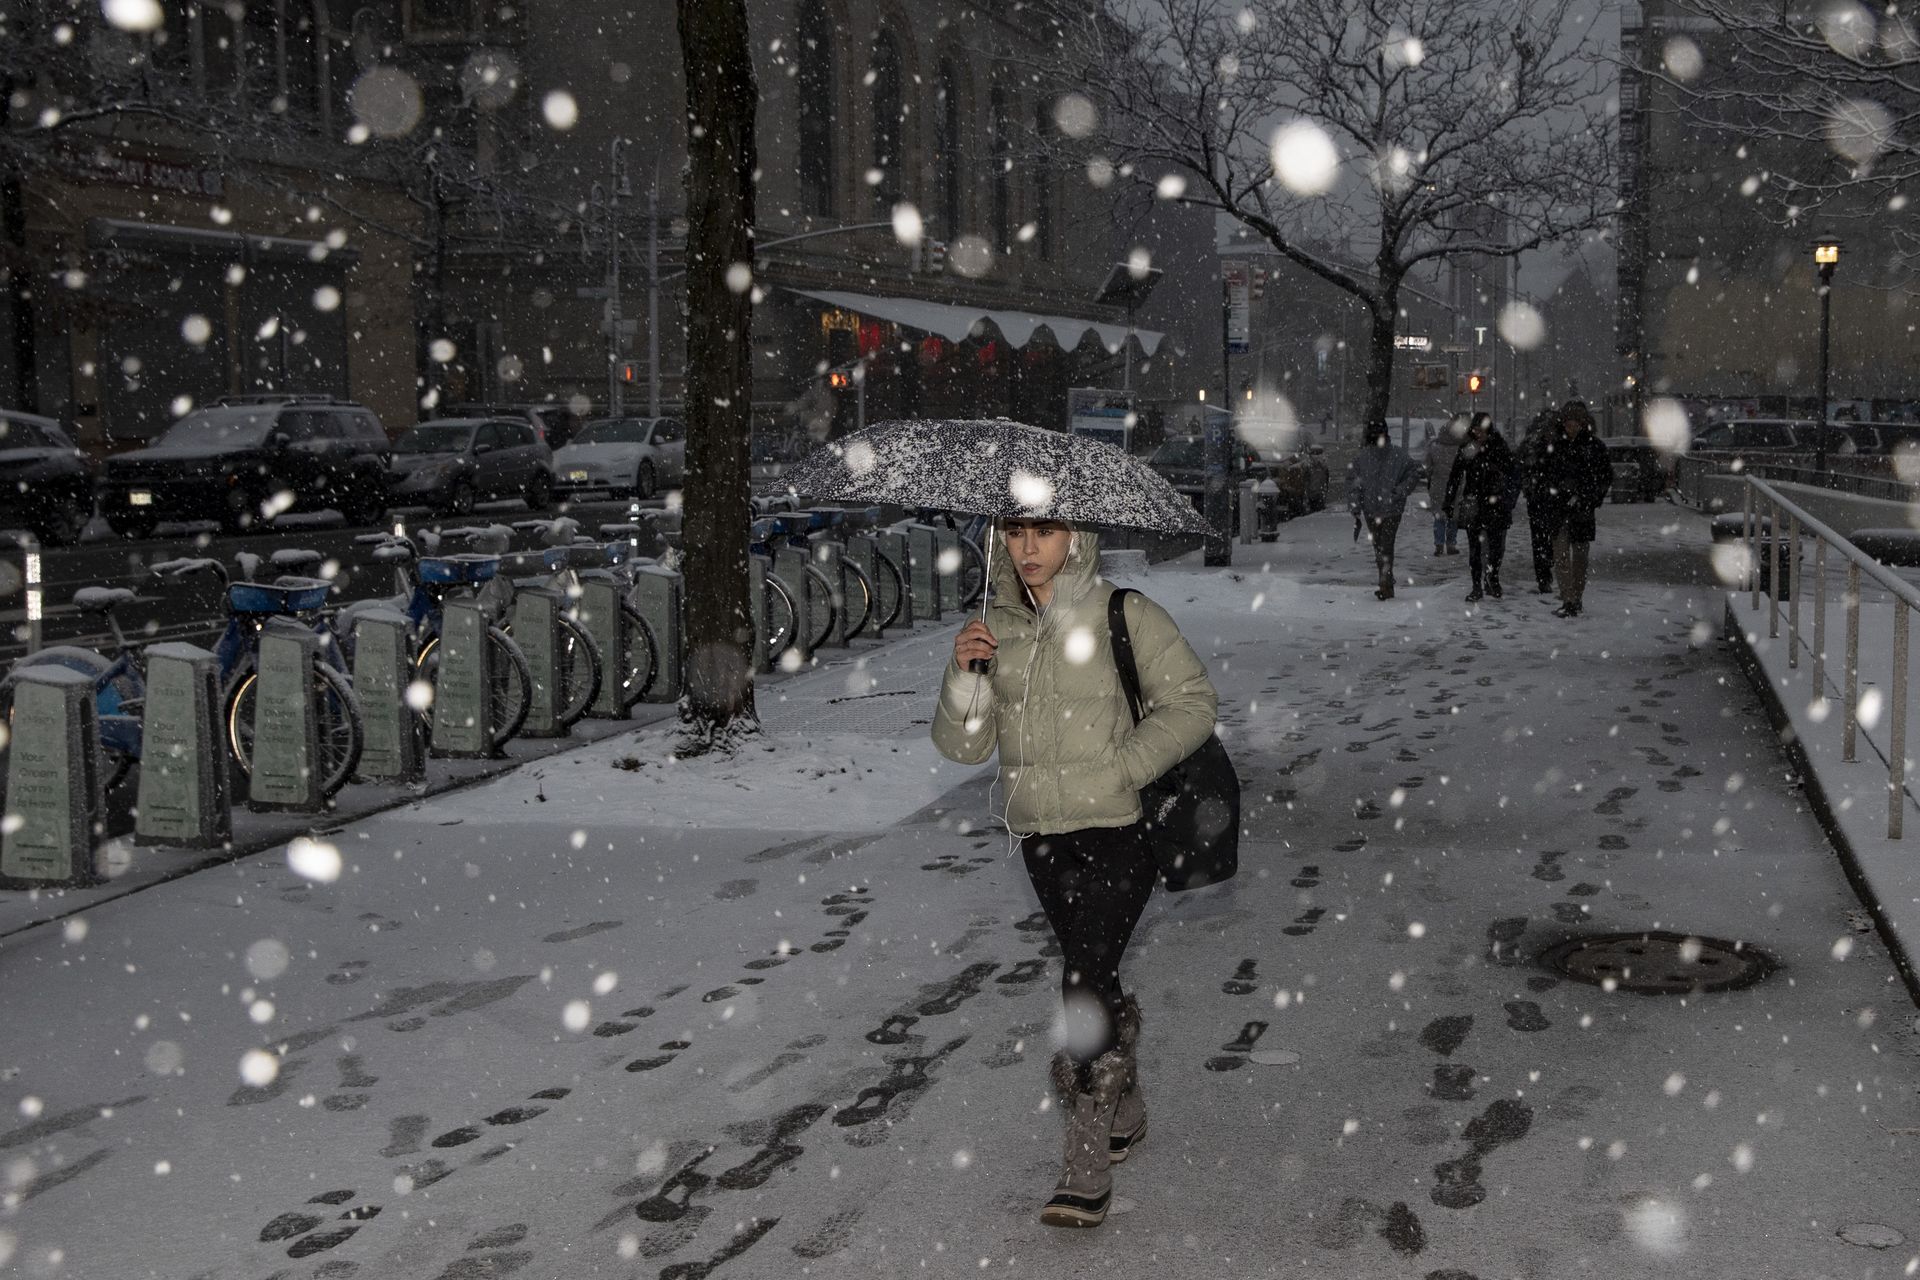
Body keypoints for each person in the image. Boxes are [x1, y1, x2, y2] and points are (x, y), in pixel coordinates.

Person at [931, 517, 1218, 1229]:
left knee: (1083, 978)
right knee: (1094, 967)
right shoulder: (993, 630)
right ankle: (1124, 1099)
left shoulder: (1126, 613)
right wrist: (965, 678)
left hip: (1125, 831)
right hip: (1041, 835)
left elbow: (1193, 704)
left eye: (1046, 532)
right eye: (1016, 533)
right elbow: (964, 750)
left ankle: (1086, 1151)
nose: (1029, 549)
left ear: (1076, 539)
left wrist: (1127, 765)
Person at [1539, 400, 1612, 618]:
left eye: (1575, 423)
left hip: (1581, 510)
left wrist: (1588, 497)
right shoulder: (1555, 446)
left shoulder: (1593, 447)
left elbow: (1604, 477)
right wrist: (1553, 493)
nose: (1571, 427)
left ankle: (1575, 598)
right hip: (1560, 509)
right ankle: (1568, 599)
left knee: (1579, 558)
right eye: (1568, 423)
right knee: (1561, 556)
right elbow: (1544, 474)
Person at [1443, 412, 1520, 601]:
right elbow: (1455, 476)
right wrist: (1449, 501)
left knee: (1496, 548)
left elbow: (1513, 474)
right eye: (1476, 430)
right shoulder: (1468, 448)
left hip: (1497, 502)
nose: (1479, 434)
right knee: (1475, 549)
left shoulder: (1499, 447)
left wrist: (1509, 499)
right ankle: (1477, 585)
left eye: (1482, 430)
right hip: (1475, 503)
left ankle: (1492, 578)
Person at [1346, 422, 1419, 600]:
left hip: (1378, 508)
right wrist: (1400, 490)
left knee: (1381, 546)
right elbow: (1413, 473)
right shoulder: (1396, 455)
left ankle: (1385, 581)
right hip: (1385, 507)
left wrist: (1356, 506)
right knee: (1383, 546)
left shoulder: (1363, 458)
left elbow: (1353, 485)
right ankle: (1386, 578)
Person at [1518, 407, 1559, 594]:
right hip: (1543, 496)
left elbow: (1521, 464)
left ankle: (1544, 573)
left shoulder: (1534, 443)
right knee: (1545, 537)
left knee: (1543, 538)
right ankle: (1544, 574)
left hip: (1545, 496)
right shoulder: (1539, 444)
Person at [1425, 416, 1468, 555]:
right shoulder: (1461, 449)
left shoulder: (1434, 448)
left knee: (1439, 516)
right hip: (1456, 487)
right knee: (1453, 517)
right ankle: (1451, 544)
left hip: (1438, 485)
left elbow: (1428, 468)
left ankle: (1438, 544)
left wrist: (1431, 478)